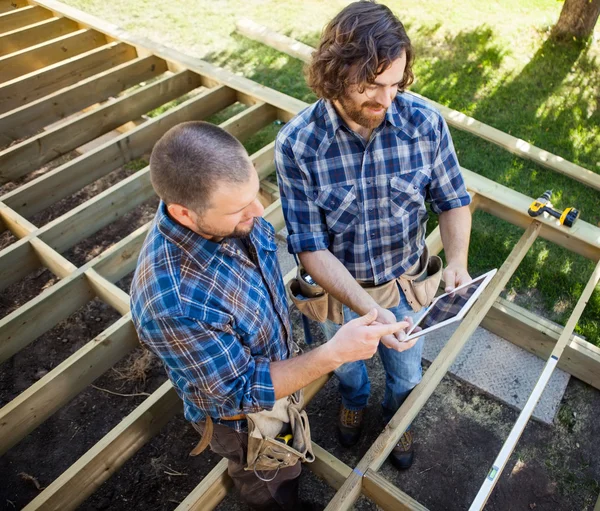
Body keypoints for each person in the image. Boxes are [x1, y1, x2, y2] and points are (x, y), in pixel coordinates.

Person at [130, 121, 409, 511]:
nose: (259, 212)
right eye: (239, 208)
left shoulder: (228, 219)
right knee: (270, 483)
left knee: (288, 455)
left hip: (279, 378)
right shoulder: (172, 301)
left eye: (255, 193)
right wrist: (334, 354)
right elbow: (239, 392)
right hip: (243, 422)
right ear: (184, 213)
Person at [275, 0, 472, 470]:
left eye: (395, 84)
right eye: (370, 86)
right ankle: (354, 400)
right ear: (333, 74)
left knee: (406, 372)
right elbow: (309, 248)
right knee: (346, 367)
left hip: (405, 285)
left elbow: (453, 201)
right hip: (339, 295)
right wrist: (371, 313)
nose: (385, 101)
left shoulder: (424, 124)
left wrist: (459, 262)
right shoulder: (299, 145)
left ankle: (397, 422)